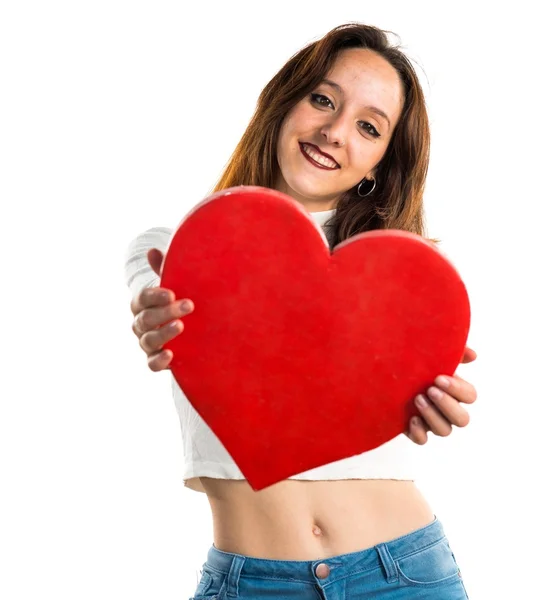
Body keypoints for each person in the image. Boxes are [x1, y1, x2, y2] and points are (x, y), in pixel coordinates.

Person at [124, 23, 477, 600]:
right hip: (252, 584)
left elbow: (404, 400)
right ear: (284, 102)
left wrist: (428, 399)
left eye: (368, 127)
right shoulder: (173, 246)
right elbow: (156, 310)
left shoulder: (404, 277)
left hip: (406, 575)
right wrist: (156, 321)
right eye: (322, 99)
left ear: (380, 164)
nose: (335, 132)